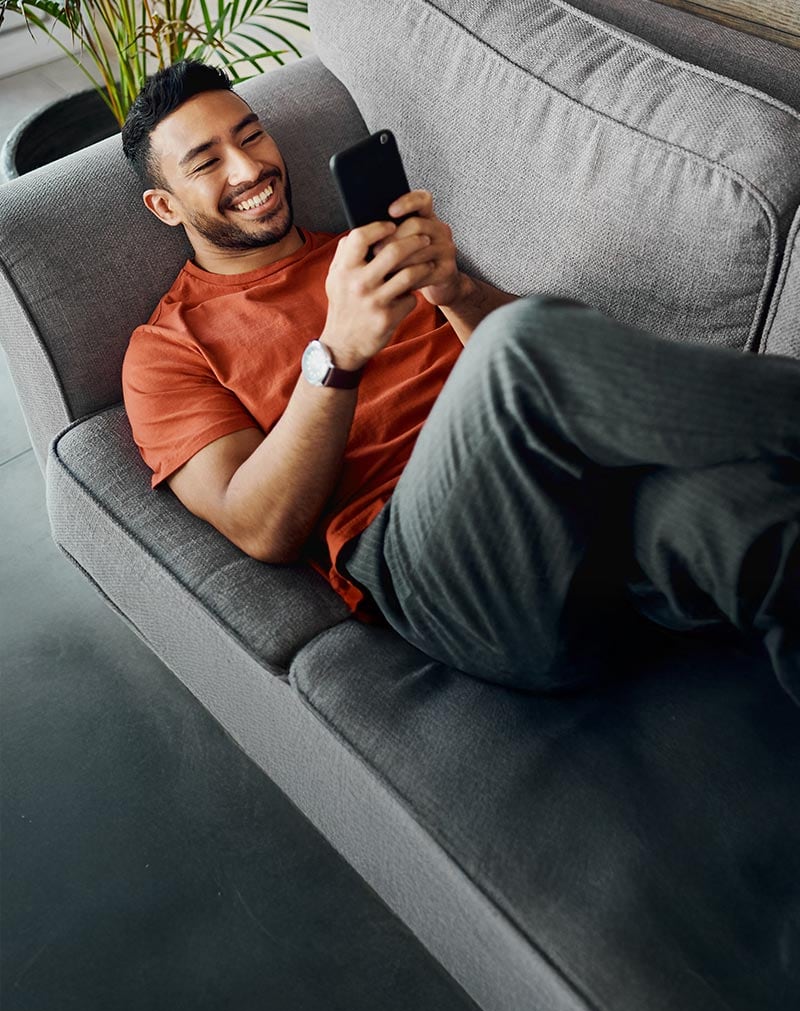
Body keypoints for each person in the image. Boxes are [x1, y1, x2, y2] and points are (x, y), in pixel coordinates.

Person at [121, 60, 800, 706]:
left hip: (578, 525)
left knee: (753, 518)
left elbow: (553, 370)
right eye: (206, 163)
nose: (249, 168)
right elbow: (259, 527)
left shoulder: (368, 251)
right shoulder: (166, 348)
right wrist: (338, 353)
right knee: (516, 342)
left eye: (250, 136)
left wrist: (456, 292)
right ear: (164, 205)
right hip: (437, 568)